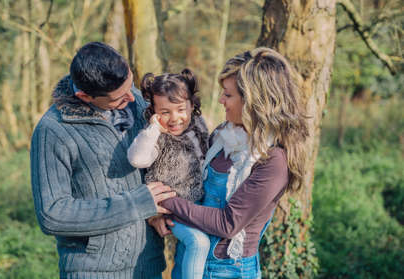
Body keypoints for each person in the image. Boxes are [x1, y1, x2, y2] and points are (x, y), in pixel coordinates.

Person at [152, 47, 309, 278]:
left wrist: (164, 200)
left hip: (228, 271)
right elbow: (194, 192)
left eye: (228, 94)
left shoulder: (273, 159)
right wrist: (160, 215)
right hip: (188, 258)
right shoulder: (221, 136)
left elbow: (227, 224)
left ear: (253, 101)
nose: (220, 100)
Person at [30, 42, 175, 279]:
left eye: (131, 85)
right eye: (119, 97)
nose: (132, 97)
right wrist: (135, 204)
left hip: (148, 265)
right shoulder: (53, 130)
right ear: (84, 96)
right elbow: (52, 214)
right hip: (94, 271)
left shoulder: (135, 99)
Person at [127, 69, 210, 279]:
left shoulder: (199, 126)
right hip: (171, 209)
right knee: (198, 243)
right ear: (154, 111)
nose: (174, 118)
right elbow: (138, 159)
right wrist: (154, 129)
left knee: (186, 255)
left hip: (198, 205)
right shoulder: (155, 137)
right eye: (164, 112)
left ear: (192, 104)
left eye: (181, 109)